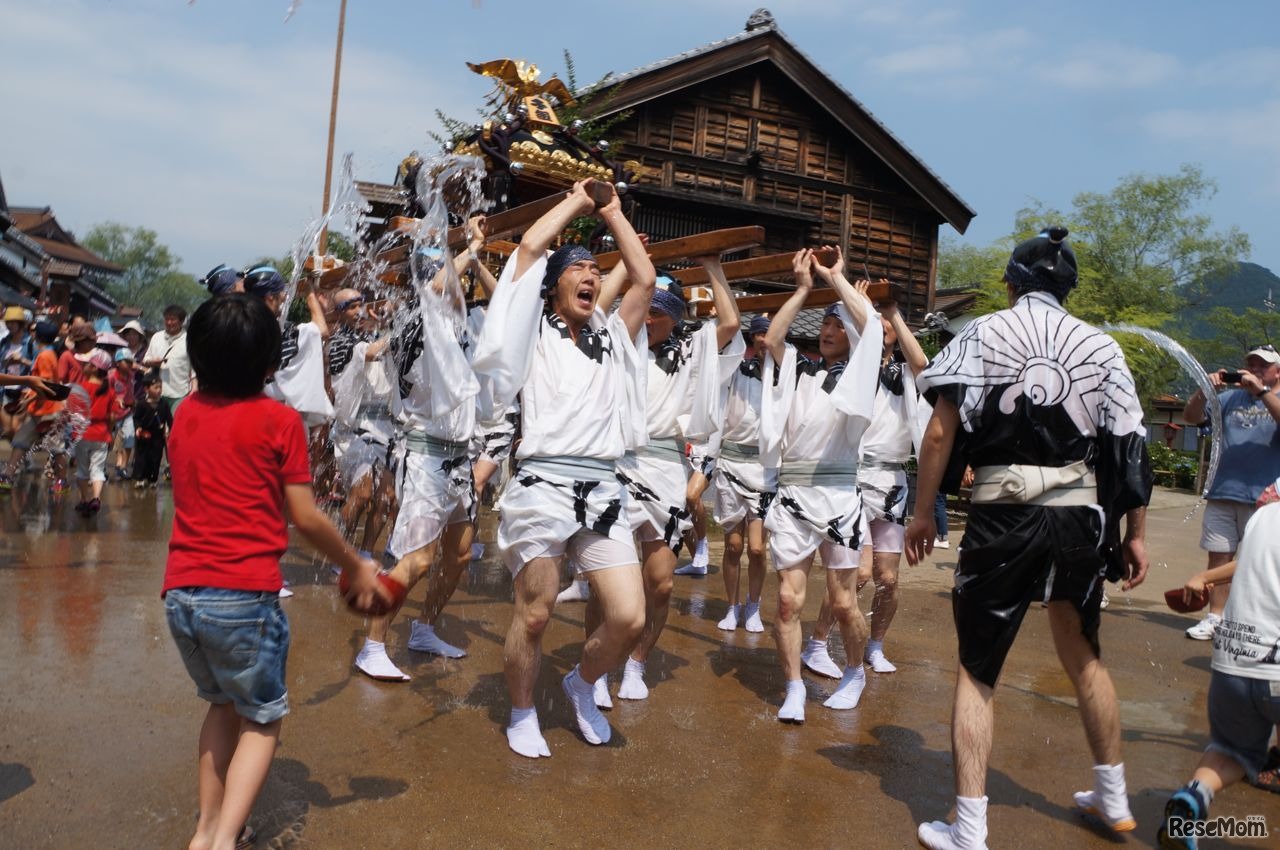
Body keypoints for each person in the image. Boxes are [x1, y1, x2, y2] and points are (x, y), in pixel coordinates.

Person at [904, 227, 1152, 849]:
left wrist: (922, 510)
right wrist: (1134, 536)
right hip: (1079, 515)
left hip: (1005, 510)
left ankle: (968, 828)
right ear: (1068, 289)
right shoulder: (1103, 347)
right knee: (1082, 648)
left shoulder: (984, 331)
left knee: (977, 666)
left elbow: (940, 431)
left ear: (1012, 283)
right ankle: (1114, 798)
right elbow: (1130, 450)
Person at [162, 293, 385, 850]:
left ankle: (205, 832)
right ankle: (223, 838)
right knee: (261, 720)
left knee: (220, 706)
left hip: (181, 595)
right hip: (242, 598)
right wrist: (355, 564)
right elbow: (305, 516)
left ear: (197, 357)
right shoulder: (278, 421)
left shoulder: (185, 413)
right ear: (270, 364)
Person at [471, 179, 652, 756]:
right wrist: (579, 198)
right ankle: (522, 712)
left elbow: (644, 278)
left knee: (628, 616)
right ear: (555, 286)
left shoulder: (612, 334)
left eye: (597, 270)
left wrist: (615, 212)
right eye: (579, 269)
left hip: (602, 486)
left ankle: (581, 683)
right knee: (536, 613)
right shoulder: (533, 331)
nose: (593, 276)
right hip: (542, 482)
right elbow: (528, 248)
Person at [350, 234, 487, 680]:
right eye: (443, 274)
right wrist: (469, 250)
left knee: (460, 554)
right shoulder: (414, 320)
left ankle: (423, 627)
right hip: (425, 454)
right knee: (416, 557)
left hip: (459, 456)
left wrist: (477, 259)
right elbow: (431, 292)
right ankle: (372, 645)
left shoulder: (462, 323)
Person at [606, 260, 742, 701]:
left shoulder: (690, 352)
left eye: (658, 313)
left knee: (661, 582)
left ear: (676, 317)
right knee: (607, 579)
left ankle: (636, 663)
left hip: (666, 469)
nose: (648, 318)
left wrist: (713, 267)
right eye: (646, 309)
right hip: (619, 466)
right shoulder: (618, 343)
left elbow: (731, 322)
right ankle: (596, 664)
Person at [760, 248, 883, 723]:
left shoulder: (860, 377)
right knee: (789, 600)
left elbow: (872, 326)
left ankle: (855, 671)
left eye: (838, 325)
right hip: (792, 496)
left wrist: (836, 277)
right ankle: (794, 687)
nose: (830, 331)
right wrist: (805, 290)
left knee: (842, 601)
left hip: (837, 497)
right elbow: (772, 337)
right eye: (824, 325)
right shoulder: (796, 366)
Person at [802, 283, 930, 675]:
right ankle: (818, 641)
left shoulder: (905, 373)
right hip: (856, 475)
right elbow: (860, 330)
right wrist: (863, 309)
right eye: (875, 319)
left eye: (886, 320)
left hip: (891, 481)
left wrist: (893, 312)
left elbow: (922, 363)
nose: (882, 323)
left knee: (888, 578)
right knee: (857, 572)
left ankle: (875, 644)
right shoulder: (858, 364)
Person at [1157, 479, 1280, 848]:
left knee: (1230, 750)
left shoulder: (1262, 521)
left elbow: (1244, 565)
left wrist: (1204, 576)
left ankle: (1192, 798)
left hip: (1232, 665)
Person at [1180, 344, 1280, 640]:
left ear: (1277, 370)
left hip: (1265, 497)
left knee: (1260, 561)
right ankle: (1215, 618)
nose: (1257, 369)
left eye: (1264, 365)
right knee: (1219, 559)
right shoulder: (1227, 399)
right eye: (1252, 364)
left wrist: (1261, 392)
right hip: (1223, 491)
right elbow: (1190, 416)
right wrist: (1204, 389)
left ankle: (1254, 622)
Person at [709, 315, 775, 632]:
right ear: (753, 339)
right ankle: (732, 606)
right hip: (732, 460)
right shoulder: (737, 370)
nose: (765, 340)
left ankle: (754, 605)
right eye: (760, 334)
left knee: (758, 547)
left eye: (770, 334)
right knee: (733, 545)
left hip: (764, 469)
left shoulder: (786, 377)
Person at [1, 320, 67, 493]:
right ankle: (7, 476)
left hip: (49, 411)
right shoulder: (48, 352)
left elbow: (43, 384)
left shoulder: (45, 355)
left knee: (57, 448)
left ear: (36, 335)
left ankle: (61, 481)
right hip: (40, 409)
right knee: (20, 441)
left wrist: (26, 401)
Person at [72, 349, 116, 516]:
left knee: (82, 469)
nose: (84, 366)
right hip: (101, 434)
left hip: (82, 434)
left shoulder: (80, 388)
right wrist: (109, 433)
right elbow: (112, 416)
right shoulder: (109, 390)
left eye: (88, 364)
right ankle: (96, 498)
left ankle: (84, 500)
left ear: (93, 368)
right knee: (97, 470)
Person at [142, 305, 193, 415]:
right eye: (167, 319)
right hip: (155, 392)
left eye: (173, 319)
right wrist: (151, 362)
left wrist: (193, 392)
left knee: (175, 425)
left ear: (181, 321)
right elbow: (145, 359)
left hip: (179, 393)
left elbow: (194, 371)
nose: (169, 322)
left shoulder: (189, 340)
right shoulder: (156, 337)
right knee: (155, 426)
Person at [132, 373, 172, 489]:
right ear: (146, 389)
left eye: (160, 387)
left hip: (158, 436)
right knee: (141, 458)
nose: (159, 390)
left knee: (156, 458)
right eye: (156, 387)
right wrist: (138, 427)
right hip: (144, 436)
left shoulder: (163, 404)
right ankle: (140, 478)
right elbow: (136, 418)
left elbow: (169, 418)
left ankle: (153, 479)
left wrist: (170, 429)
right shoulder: (141, 404)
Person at [110, 348, 137, 478]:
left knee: (130, 436)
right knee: (117, 439)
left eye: (131, 362)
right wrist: (115, 399)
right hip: (114, 413)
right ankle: (119, 462)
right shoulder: (111, 376)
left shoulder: (132, 375)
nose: (130, 365)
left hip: (128, 411)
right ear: (118, 363)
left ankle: (124, 466)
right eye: (127, 362)